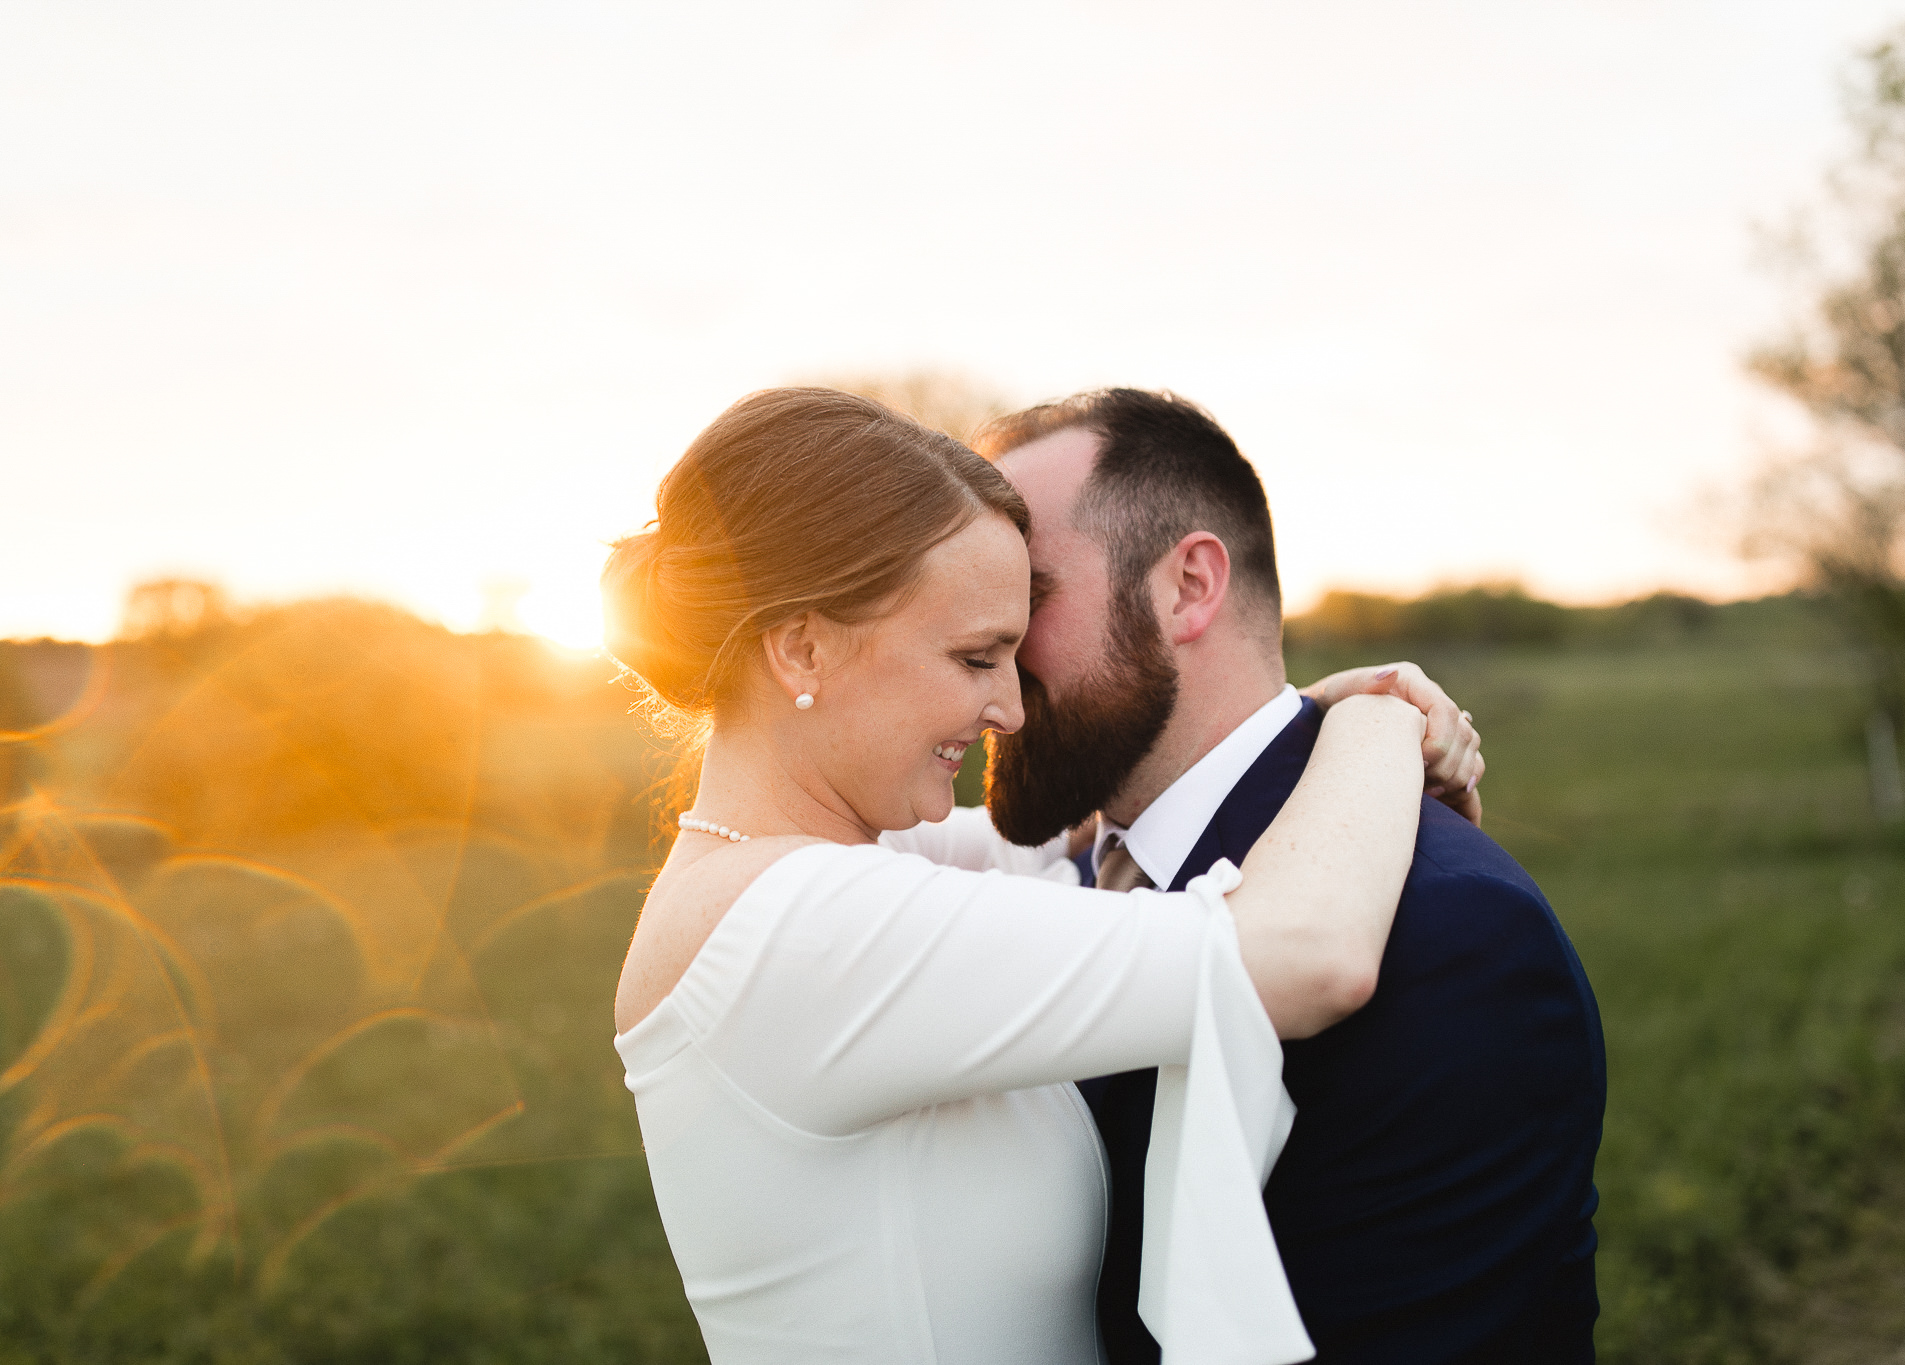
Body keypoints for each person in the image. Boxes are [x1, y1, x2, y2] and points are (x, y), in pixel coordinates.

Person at [603, 387, 1484, 1365]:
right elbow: (1302, 953)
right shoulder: (801, 928)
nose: (1007, 711)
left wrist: (1298, 716)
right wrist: (1379, 719)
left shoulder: (836, 868)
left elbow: (1092, 835)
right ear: (803, 645)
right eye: (974, 655)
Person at [978, 389, 1606, 1365]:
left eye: (1025, 597)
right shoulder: (1063, 868)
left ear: (1188, 586)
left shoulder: (1452, 943)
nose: (986, 649)